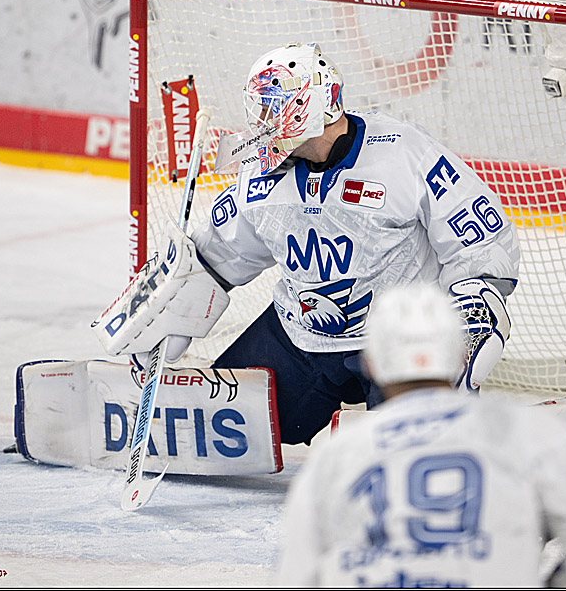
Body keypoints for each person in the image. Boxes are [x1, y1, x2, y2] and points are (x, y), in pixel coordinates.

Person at [95, 42, 520, 448]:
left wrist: (465, 321)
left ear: (309, 106)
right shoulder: (261, 170)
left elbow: (482, 244)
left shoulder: (403, 153)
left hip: (398, 337)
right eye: (258, 109)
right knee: (207, 426)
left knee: (409, 453)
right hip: (299, 335)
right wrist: (173, 304)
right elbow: (217, 257)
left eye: (272, 107)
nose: (261, 122)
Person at [276, 283, 566, 587]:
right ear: (463, 355)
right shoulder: (529, 432)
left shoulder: (335, 456)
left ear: (370, 362)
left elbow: (299, 577)